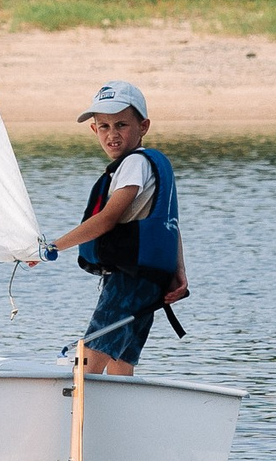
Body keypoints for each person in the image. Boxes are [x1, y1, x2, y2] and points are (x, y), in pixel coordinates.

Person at [37, 81, 184, 376]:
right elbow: (171, 224)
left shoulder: (133, 165)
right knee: (121, 360)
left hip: (129, 279)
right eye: (103, 126)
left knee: (91, 356)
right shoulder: (152, 163)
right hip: (150, 280)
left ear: (143, 126)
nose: (112, 135)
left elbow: (107, 219)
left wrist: (53, 247)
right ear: (94, 130)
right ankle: (120, 416)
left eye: (121, 124)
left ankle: (71, 413)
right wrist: (179, 272)